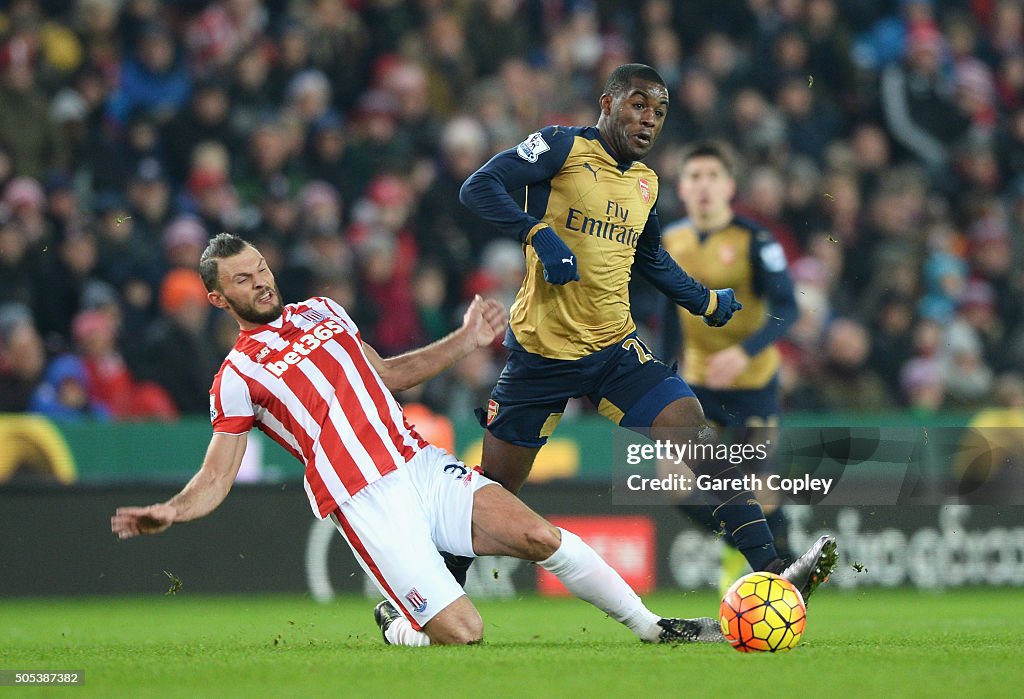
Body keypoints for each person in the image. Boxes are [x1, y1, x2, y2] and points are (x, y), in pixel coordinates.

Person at [110, 233, 725, 647]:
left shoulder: (324, 310)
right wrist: (170, 509)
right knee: (466, 631)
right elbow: (218, 474)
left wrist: (463, 342)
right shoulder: (236, 377)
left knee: (541, 535)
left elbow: (384, 374)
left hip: (419, 463)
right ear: (219, 298)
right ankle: (400, 625)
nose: (261, 283)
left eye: (262, 269)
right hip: (364, 497)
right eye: (243, 281)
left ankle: (654, 627)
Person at [459, 63, 836, 597]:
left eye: (659, 112)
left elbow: (652, 259)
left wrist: (703, 300)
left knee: (693, 430)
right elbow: (479, 186)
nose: (649, 120)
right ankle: (424, 598)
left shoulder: (646, 183)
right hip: (541, 355)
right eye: (638, 105)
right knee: (496, 491)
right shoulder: (560, 148)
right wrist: (538, 233)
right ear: (607, 103)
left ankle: (775, 573)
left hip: (614, 349)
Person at [661, 140, 799, 592]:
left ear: (730, 186)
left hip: (752, 382)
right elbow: (667, 312)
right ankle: (753, 542)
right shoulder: (669, 241)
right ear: (681, 188)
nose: (704, 185)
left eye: (713, 176)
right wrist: (665, 369)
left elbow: (787, 308)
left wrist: (744, 352)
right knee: (673, 479)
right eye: (695, 176)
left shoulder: (754, 240)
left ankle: (783, 560)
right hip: (697, 383)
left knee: (761, 487)